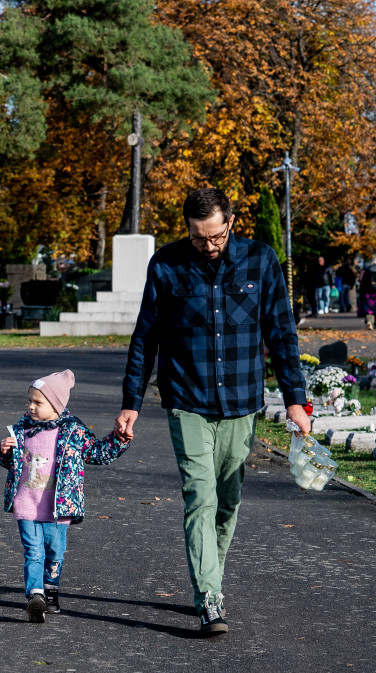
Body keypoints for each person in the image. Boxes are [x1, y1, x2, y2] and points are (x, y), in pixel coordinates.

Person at [114, 187, 310, 637]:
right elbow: (145, 338)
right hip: (187, 400)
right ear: (187, 229)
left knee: (228, 501)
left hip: (242, 402)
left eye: (216, 237)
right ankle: (209, 597)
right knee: (199, 496)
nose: (209, 246)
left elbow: (281, 334)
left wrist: (296, 399)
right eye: (199, 238)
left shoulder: (261, 261)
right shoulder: (167, 264)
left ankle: (211, 579)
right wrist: (131, 401)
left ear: (231, 222)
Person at [0, 370, 129, 623]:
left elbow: (98, 453)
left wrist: (119, 440)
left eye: (38, 402)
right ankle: (34, 595)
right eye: (30, 401)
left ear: (56, 405)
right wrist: (3, 451)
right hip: (27, 502)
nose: (31, 407)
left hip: (59, 507)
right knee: (33, 552)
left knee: (55, 552)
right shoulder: (21, 429)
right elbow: (9, 462)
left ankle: (50, 590)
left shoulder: (73, 431)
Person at [359, 255, 376, 330]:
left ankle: (370, 321)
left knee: (370, 309)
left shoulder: (367, 270)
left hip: (368, 293)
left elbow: (361, 281)